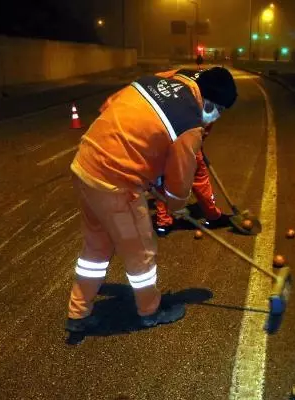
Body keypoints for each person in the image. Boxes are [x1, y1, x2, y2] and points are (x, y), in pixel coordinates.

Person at [66, 67, 237, 333]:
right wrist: (175, 204)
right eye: (220, 110)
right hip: (115, 186)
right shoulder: (188, 125)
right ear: (211, 102)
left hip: (86, 163)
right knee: (141, 252)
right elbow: (180, 184)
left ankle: (78, 312)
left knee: (96, 247)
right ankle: (150, 310)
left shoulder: (154, 81)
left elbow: (108, 105)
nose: (217, 117)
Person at [153, 124, 232, 237]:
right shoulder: (196, 108)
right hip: (186, 145)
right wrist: (199, 141)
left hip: (161, 147)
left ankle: (163, 224)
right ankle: (213, 216)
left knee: (162, 183)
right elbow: (204, 126)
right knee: (200, 179)